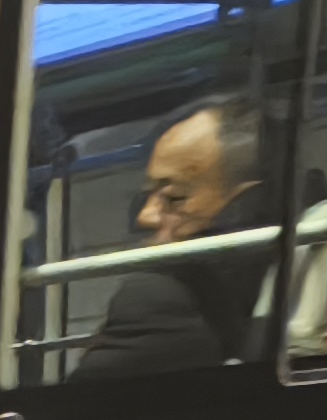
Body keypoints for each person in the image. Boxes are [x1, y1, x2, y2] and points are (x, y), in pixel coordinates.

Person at [71, 96, 281, 380]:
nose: (145, 216)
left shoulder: (160, 300)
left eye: (175, 197)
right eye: (147, 197)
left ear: (246, 205)